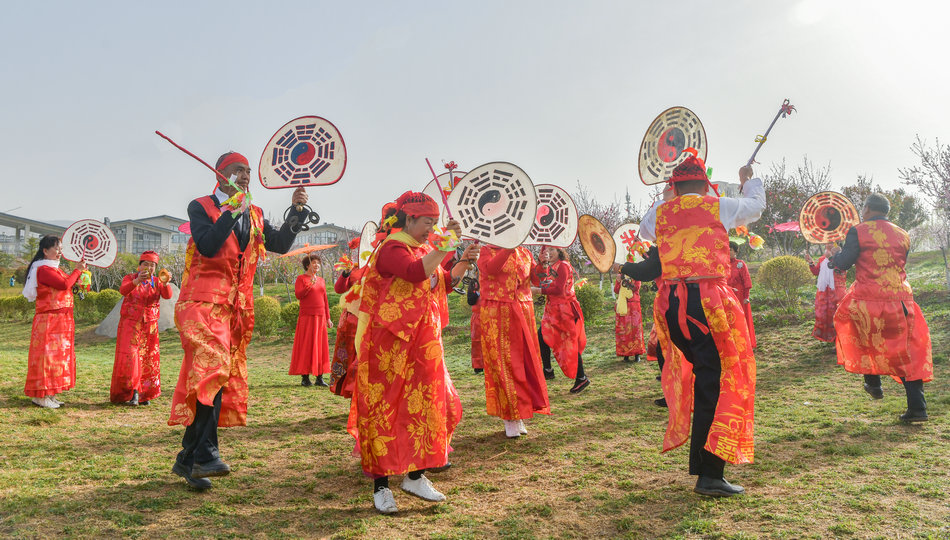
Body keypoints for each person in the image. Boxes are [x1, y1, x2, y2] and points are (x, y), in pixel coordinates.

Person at [168, 151, 310, 491]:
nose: (245, 176)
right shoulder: (201, 206)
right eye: (237, 171)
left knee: (214, 377)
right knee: (213, 367)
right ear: (220, 174)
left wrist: (297, 213)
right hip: (201, 302)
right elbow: (208, 244)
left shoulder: (256, 213)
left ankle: (188, 460)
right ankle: (205, 454)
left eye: (248, 171)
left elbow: (277, 244)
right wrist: (232, 208)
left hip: (234, 310)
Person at [630, 156, 764, 497]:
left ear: (673, 186)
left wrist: (666, 199)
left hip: (673, 304)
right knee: (716, 381)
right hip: (708, 303)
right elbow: (755, 206)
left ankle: (706, 468)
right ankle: (709, 473)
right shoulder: (717, 206)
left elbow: (646, 232)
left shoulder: (659, 212)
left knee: (708, 378)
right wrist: (748, 178)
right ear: (706, 185)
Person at [347, 191, 475, 514]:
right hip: (388, 344)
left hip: (422, 343)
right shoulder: (391, 248)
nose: (431, 229)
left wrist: (463, 260)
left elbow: (441, 281)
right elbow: (415, 272)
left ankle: (415, 477)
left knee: (426, 406)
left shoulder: (425, 250)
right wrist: (444, 247)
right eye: (427, 223)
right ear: (410, 219)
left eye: (435, 223)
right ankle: (381, 486)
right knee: (384, 408)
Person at [830, 193, 932, 422]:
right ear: (886, 211)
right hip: (902, 300)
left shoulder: (858, 230)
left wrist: (835, 257)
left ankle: (873, 383)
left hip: (868, 301)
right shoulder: (903, 233)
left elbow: (845, 262)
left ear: (866, 209)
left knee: (863, 337)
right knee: (908, 353)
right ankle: (918, 409)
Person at [477, 244, 551, 438]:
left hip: (523, 311)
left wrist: (543, 264)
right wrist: (508, 248)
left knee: (525, 363)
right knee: (504, 363)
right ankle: (509, 416)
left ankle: (520, 413)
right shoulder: (487, 251)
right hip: (497, 312)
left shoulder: (525, 252)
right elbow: (491, 269)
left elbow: (536, 279)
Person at [22, 235, 87, 408]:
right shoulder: (43, 269)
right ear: (45, 250)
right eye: (56, 249)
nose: (59, 252)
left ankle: (50, 393)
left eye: (60, 249)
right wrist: (77, 270)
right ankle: (40, 396)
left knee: (56, 358)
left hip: (59, 321)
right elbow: (64, 284)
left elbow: (67, 284)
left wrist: (78, 278)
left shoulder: (54, 268)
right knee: (47, 358)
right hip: (49, 320)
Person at [110, 250, 172, 406]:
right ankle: (132, 392)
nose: (149, 268)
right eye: (145, 264)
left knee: (148, 357)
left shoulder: (158, 281)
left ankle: (145, 394)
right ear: (139, 266)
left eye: (152, 265)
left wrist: (166, 283)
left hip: (150, 324)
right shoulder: (130, 278)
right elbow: (123, 290)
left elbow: (168, 296)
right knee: (130, 357)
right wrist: (137, 281)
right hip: (130, 323)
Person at [531, 246, 590, 393]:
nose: (549, 253)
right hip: (554, 311)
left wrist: (538, 291)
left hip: (565, 311)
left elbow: (559, 289)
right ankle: (548, 370)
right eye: (546, 250)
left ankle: (581, 378)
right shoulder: (553, 266)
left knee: (568, 344)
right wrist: (541, 264)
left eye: (552, 250)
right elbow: (541, 280)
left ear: (559, 252)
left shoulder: (563, 266)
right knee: (542, 337)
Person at [290, 254, 332, 387]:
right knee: (306, 345)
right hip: (307, 316)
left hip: (320, 317)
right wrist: (310, 285)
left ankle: (320, 378)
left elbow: (325, 300)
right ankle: (305, 377)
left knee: (320, 346)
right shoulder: (301, 279)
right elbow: (299, 295)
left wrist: (328, 318)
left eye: (318, 263)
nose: (317, 265)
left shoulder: (321, 280)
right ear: (307, 265)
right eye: (314, 263)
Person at [805, 243, 845, 343]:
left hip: (836, 292)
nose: (828, 245)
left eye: (831, 243)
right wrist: (810, 262)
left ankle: (839, 338)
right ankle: (826, 336)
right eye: (827, 243)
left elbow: (841, 271)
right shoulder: (822, 259)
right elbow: (816, 272)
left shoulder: (842, 258)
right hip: (823, 293)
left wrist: (831, 258)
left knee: (836, 314)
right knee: (823, 314)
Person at [727, 242, 756, 348]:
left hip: (740, 295)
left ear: (735, 251)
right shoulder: (722, 264)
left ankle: (744, 342)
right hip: (727, 295)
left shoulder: (741, 264)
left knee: (741, 319)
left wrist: (746, 297)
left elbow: (747, 281)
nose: (728, 252)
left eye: (730, 249)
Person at [614, 274, 645, 362]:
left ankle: (637, 354)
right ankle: (625, 354)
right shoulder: (621, 276)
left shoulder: (636, 275)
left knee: (635, 329)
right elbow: (616, 290)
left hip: (634, 305)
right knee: (624, 330)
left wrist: (626, 281)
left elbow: (636, 288)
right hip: (623, 305)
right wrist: (618, 281)